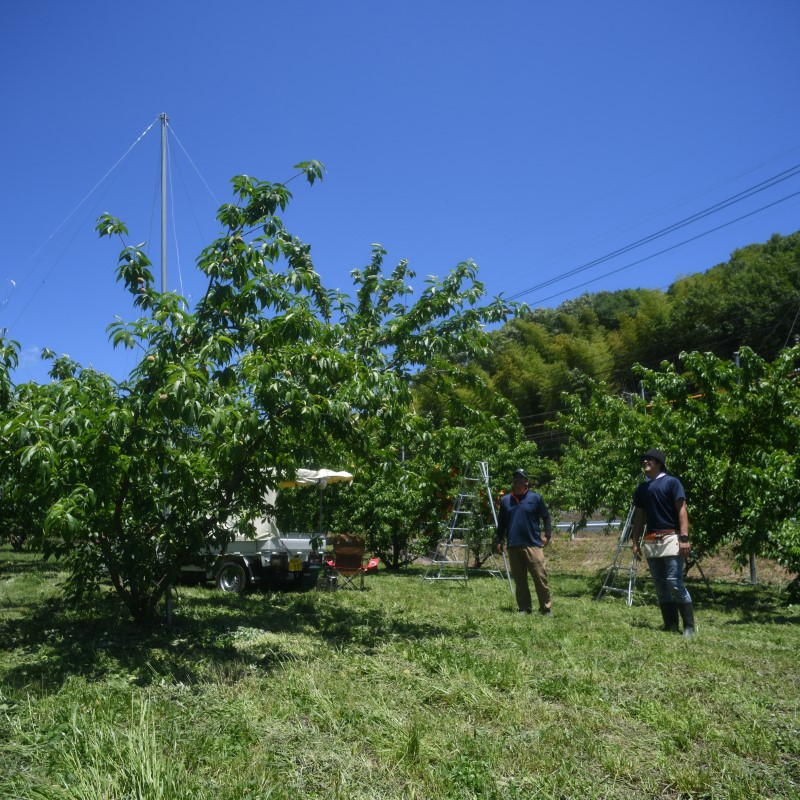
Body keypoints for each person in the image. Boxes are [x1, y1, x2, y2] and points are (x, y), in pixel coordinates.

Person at [631, 449, 696, 637]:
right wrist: (635, 541)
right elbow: (639, 516)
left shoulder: (672, 482)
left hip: (671, 537)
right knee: (660, 585)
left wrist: (684, 538)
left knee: (674, 582)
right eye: (644, 459)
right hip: (652, 539)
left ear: (659, 462)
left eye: (649, 459)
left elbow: (682, 509)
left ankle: (689, 626)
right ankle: (670, 624)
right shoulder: (642, 488)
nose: (645, 461)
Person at [494, 468, 553, 615]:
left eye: (521, 478)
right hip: (513, 545)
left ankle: (545, 608)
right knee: (520, 580)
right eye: (515, 478)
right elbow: (501, 523)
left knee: (540, 577)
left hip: (533, 544)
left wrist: (547, 535)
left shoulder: (535, 498)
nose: (517, 481)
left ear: (526, 482)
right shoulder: (506, 500)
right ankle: (524, 608)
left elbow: (546, 517)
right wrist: (498, 539)